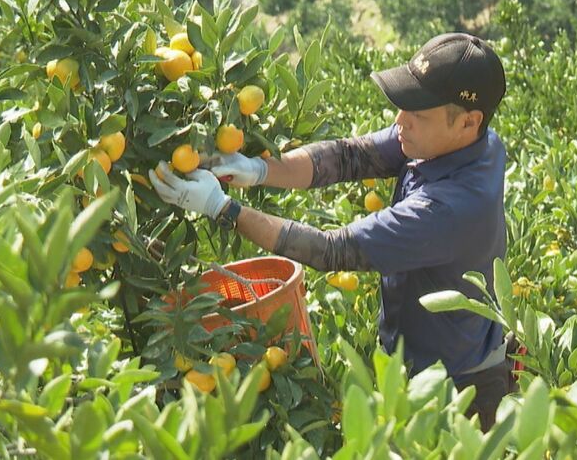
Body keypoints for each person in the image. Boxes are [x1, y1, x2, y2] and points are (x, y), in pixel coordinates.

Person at [149, 33, 512, 429]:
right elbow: (350, 156)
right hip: (422, 365)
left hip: (459, 393)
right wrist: (260, 169)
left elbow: (332, 250)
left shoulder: (452, 208)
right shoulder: (466, 142)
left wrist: (223, 208)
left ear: (468, 121)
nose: (399, 122)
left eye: (418, 113)